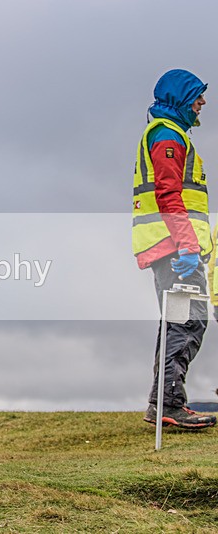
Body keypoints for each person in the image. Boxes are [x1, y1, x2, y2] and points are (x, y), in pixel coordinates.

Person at [132, 69, 216, 429]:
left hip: (173, 248)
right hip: (174, 250)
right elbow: (169, 196)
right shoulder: (168, 136)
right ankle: (168, 404)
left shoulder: (171, 133)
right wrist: (185, 247)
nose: (202, 102)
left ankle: (165, 403)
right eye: (197, 95)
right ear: (181, 97)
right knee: (186, 321)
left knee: (181, 321)